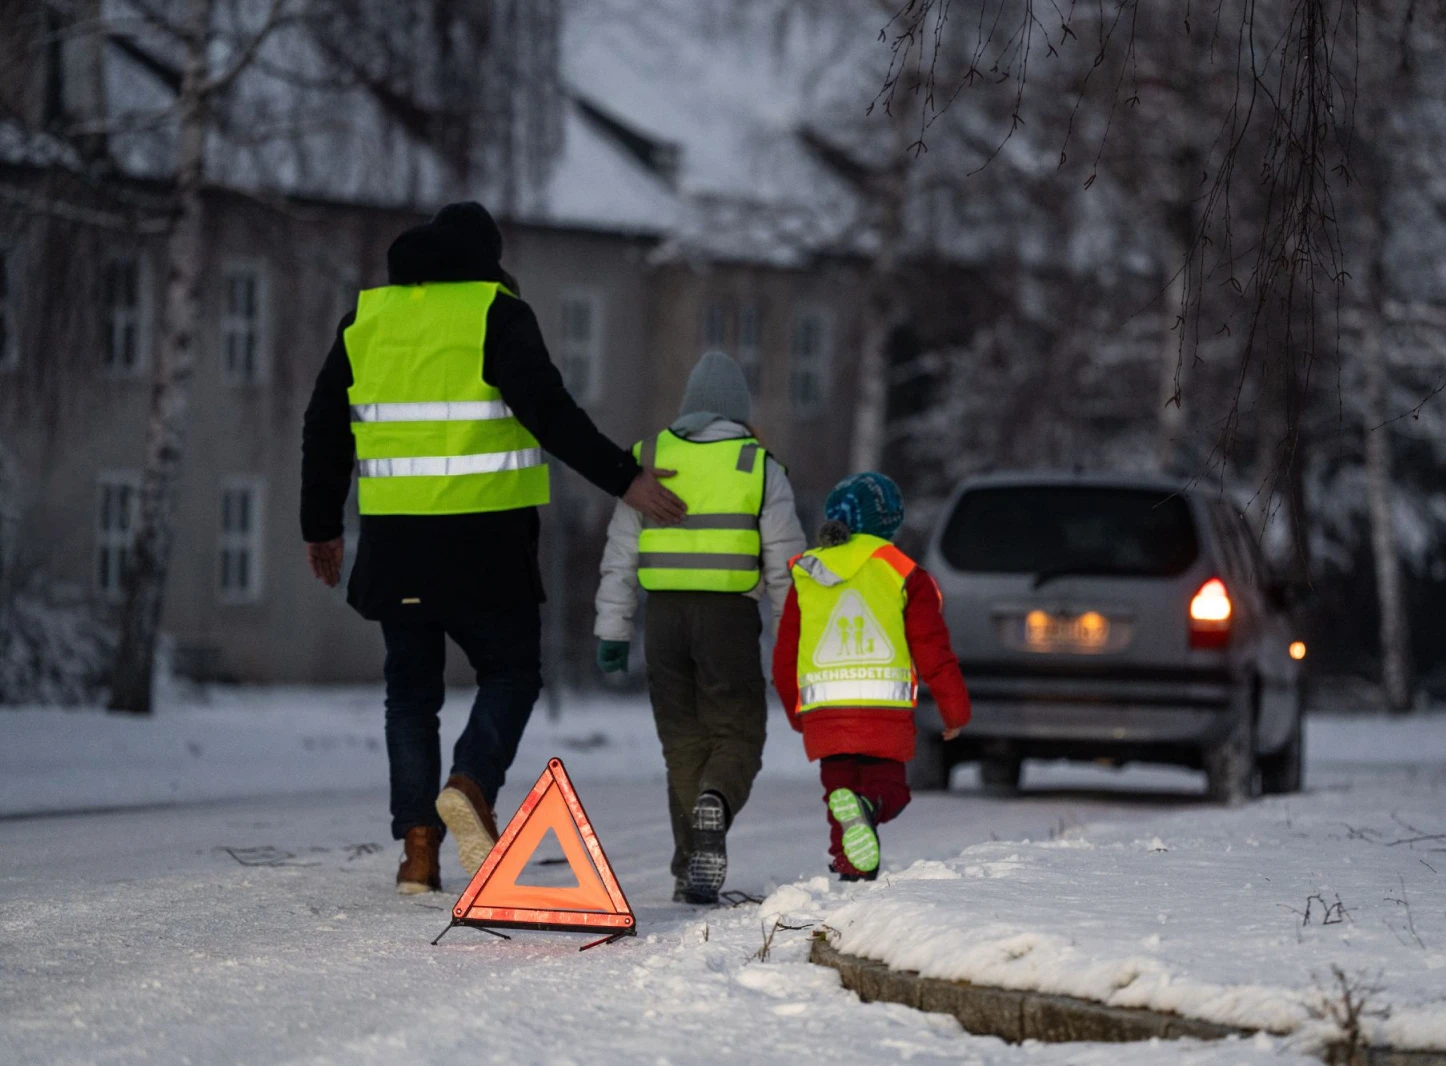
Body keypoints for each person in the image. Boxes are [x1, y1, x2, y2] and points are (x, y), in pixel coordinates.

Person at [300, 202, 685, 895]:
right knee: (510, 674)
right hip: (487, 544)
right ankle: (471, 784)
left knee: (410, 696)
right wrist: (623, 478)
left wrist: (319, 525)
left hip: (396, 545)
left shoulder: (367, 320)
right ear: (487, 258)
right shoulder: (496, 312)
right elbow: (549, 410)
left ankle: (418, 852)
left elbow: (324, 427)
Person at [593, 352, 804, 903]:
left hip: (663, 620)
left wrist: (612, 629)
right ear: (740, 409)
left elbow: (620, 553)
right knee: (737, 734)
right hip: (727, 620)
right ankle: (717, 801)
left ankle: (691, 863)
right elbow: (786, 569)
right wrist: (790, 642)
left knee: (683, 742)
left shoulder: (649, 457)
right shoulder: (758, 466)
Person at [772, 473, 969, 880]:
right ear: (887, 523)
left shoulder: (807, 573)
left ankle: (851, 866)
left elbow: (785, 653)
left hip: (826, 712)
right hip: (883, 713)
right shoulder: (902, 573)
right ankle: (870, 809)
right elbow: (932, 647)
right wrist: (954, 710)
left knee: (839, 794)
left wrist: (796, 711)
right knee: (889, 790)